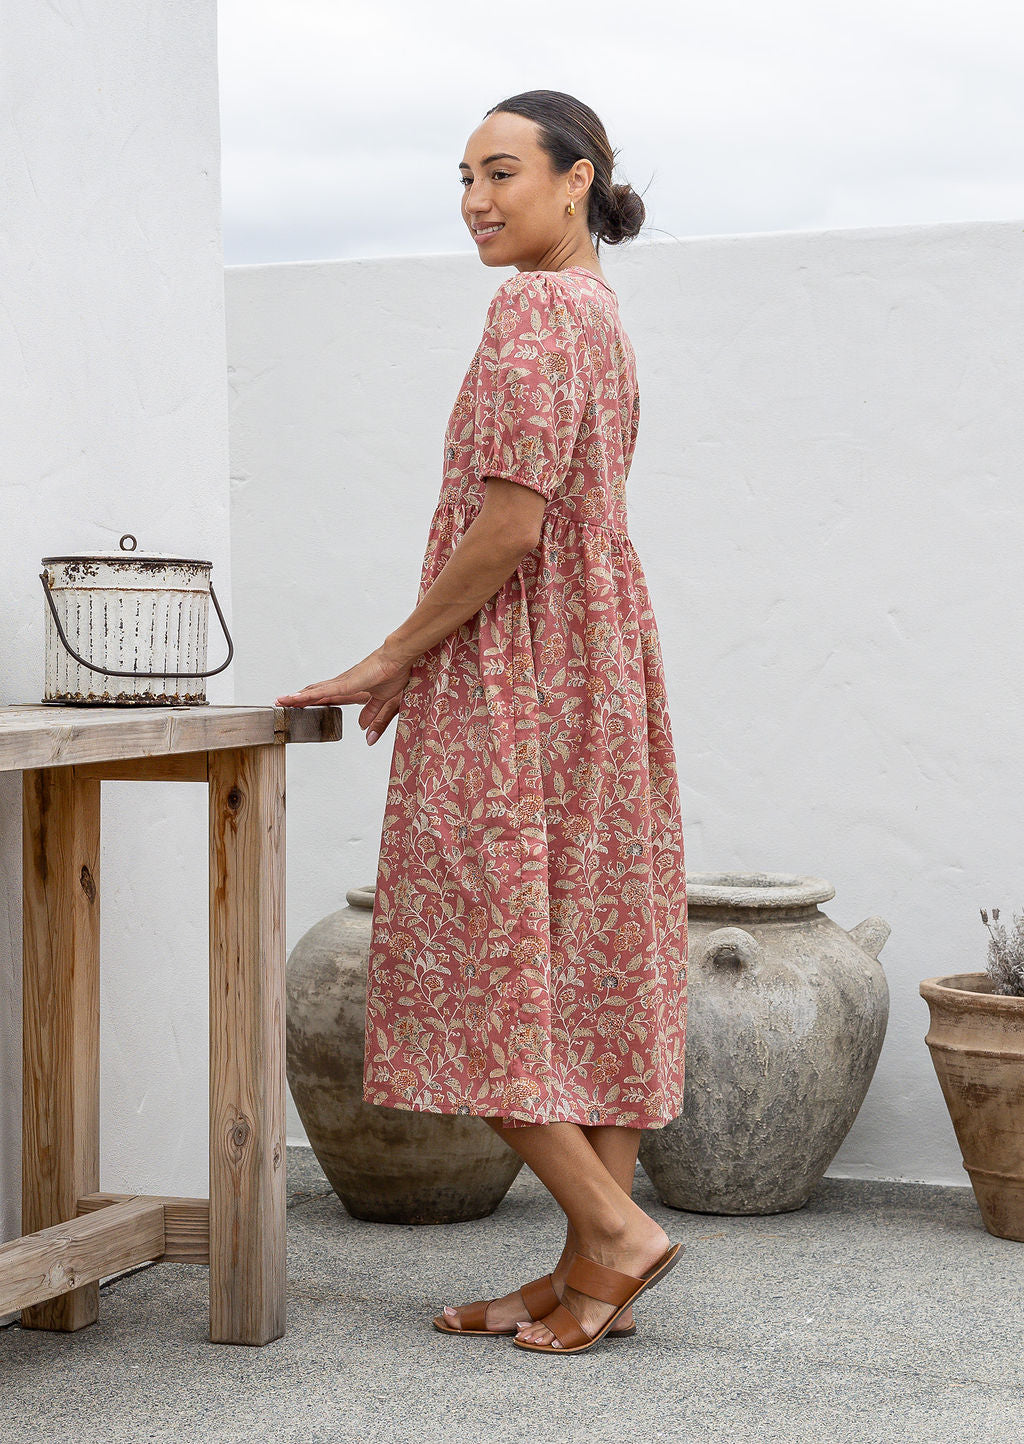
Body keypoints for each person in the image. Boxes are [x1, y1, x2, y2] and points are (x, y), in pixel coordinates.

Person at [276, 89, 687, 1355]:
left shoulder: (527, 312)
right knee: (582, 956)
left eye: (501, 172)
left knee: (476, 950)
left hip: (515, 670)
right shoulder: (600, 316)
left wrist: (391, 656)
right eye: (461, 177)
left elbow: (508, 529)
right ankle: (582, 1277)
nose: (475, 201)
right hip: (600, 665)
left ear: (579, 179)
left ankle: (615, 1236)